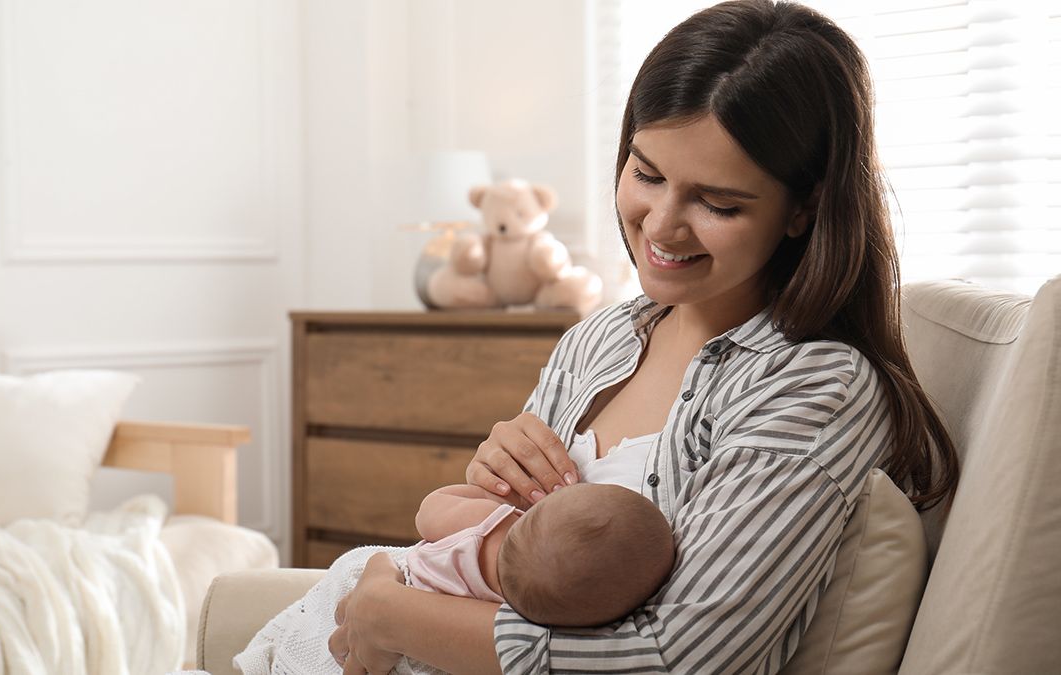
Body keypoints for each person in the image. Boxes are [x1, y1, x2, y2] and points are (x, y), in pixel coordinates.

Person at [329, 1, 961, 672]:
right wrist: (490, 480)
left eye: (717, 202)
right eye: (646, 174)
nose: (660, 226)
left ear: (804, 208)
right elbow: (500, 554)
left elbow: (673, 659)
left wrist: (393, 615)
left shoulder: (813, 387)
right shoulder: (600, 337)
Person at [407, 482, 674, 628]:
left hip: (397, 582)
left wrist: (494, 498)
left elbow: (426, 513)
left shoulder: (488, 523)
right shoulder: (532, 616)